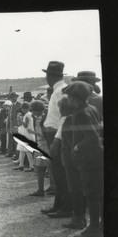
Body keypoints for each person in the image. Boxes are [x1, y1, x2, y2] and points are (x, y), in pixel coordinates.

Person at [62, 82, 104, 237]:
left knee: (91, 193)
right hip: (97, 156)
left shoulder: (80, 114)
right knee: (97, 193)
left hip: (89, 158)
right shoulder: (92, 108)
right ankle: (98, 226)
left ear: (74, 98)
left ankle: (93, 228)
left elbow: (92, 137)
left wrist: (77, 147)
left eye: (69, 97)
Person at [40, 61, 72, 218]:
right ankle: (59, 204)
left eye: (47, 75)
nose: (46, 78)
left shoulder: (61, 91)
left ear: (50, 76)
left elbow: (64, 117)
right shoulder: (57, 90)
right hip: (52, 133)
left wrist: (57, 139)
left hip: (57, 134)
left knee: (60, 172)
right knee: (57, 172)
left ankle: (66, 207)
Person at [55, 96, 87, 230]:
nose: (59, 110)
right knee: (79, 189)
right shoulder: (78, 118)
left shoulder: (68, 120)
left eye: (60, 107)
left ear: (64, 108)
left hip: (70, 159)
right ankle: (80, 217)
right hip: (77, 159)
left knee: (74, 189)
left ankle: (78, 219)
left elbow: (67, 141)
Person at [27, 100, 50, 196]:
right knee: (50, 168)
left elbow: (42, 134)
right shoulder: (46, 117)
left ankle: (40, 190)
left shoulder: (39, 120)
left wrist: (32, 132)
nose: (32, 112)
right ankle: (52, 187)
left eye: (34, 110)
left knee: (40, 169)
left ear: (37, 110)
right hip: (46, 145)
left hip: (42, 145)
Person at [12, 102, 34, 172]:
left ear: (25, 108)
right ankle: (21, 165)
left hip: (27, 134)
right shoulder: (28, 114)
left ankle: (31, 166)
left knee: (27, 151)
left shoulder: (28, 115)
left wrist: (21, 120)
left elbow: (25, 125)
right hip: (25, 133)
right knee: (22, 150)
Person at [5, 92, 21, 159]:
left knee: (17, 141)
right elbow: (9, 116)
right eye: (11, 98)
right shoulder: (11, 106)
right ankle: (10, 152)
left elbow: (19, 116)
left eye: (14, 97)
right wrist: (8, 126)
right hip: (11, 126)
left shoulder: (19, 105)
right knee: (11, 140)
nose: (13, 99)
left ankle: (17, 155)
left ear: (16, 97)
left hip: (16, 126)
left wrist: (18, 125)